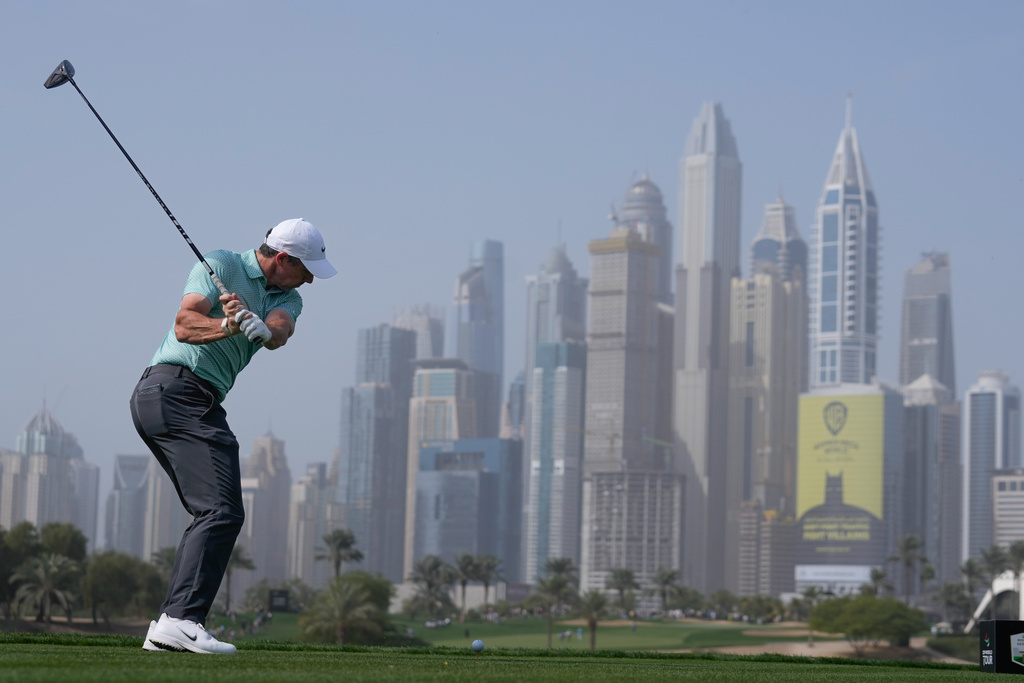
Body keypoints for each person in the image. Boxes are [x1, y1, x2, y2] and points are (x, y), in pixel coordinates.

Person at [134, 218, 336, 654]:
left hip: (188, 399)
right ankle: (181, 620)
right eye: (305, 269)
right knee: (222, 510)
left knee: (214, 510)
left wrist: (265, 329)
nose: (309, 281)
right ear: (282, 259)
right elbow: (186, 325)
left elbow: (282, 329)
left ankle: (170, 625)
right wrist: (227, 326)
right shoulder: (220, 265)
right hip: (175, 388)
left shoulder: (290, 296)